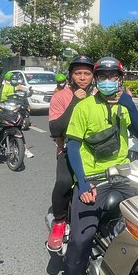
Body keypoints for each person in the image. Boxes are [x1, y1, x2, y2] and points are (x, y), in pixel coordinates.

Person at [62, 56, 138, 275]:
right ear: (96, 80)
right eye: (103, 77)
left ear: (120, 80)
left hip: (123, 174)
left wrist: (129, 105)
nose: (108, 81)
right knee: (82, 237)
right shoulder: (84, 107)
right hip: (94, 178)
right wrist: (83, 183)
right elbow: (73, 147)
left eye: (113, 77)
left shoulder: (125, 104)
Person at [46, 55, 94, 252]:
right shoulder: (60, 96)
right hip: (68, 149)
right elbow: (56, 129)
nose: (82, 77)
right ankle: (59, 221)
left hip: (96, 151)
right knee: (64, 182)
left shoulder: (100, 94)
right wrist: (75, 101)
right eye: (78, 73)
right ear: (71, 75)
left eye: (87, 73)